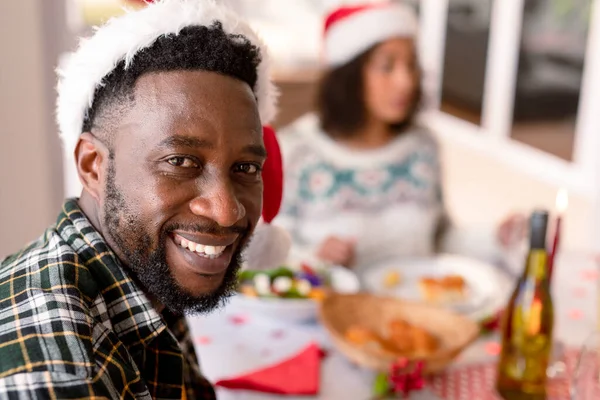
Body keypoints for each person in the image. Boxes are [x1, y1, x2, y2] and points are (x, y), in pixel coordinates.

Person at [0, 0, 280, 398]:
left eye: (247, 168)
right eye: (180, 161)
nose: (225, 210)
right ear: (93, 166)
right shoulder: (63, 375)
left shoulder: (145, 275)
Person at [273, 3, 525, 272]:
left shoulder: (422, 147)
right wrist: (314, 259)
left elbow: (439, 237)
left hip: (415, 308)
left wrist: (495, 237)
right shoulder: (295, 151)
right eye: (387, 66)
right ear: (349, 74)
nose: (406, 81)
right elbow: (266, 256)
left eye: (411, 64)